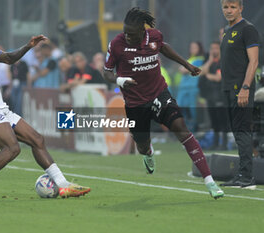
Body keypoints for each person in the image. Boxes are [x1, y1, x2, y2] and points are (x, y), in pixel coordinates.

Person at [0, 16, 90, 199]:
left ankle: (63, 185)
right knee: (12, 148)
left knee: (37, 140)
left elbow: (8, 58)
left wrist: (28, 46)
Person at [103, 7, 224, 199]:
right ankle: (148, 153)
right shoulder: (117, 44)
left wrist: (187, 65)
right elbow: (107, 71)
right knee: (141, 145)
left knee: (181, 128)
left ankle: (209, 181)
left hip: (159, 94)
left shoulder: (154, 36)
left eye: (131, 33)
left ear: (142, 32)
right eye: (125, 31)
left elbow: (164, 48)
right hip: (135, 103)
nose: (126, 36)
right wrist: (120, 80)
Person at [219, 0, 259, 189]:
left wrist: (245, 87)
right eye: (226, 7)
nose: (229, 10)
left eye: (233, 7)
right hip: (228, 88)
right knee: (237, 132)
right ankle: (243, 173)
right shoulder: (227, 31)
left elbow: (254, 61)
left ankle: (246, 176)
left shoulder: (247, 29)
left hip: (240, 89)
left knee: (242, 131)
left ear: (241, 8)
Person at [199, 41, 229, 150]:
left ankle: (224, 144)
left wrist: (207, 75)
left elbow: (218, 78)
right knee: (214, 121)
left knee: (223, 121)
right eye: (212, 48)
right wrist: (210, 61)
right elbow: (201, 72)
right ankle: (215, 144)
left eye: (216, 48)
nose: (214, 51)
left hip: (221, 95)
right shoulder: (209, 60)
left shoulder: (224, 61)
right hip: (210, 95)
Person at [177, 41, 205, 132]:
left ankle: (193, 130)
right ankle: (185, 129)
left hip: (192, 87)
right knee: (181, 108)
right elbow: (182, 69)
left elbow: (184, 70)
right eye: (191, 47)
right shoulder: (190, 59)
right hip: (184, 87)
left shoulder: (200, 59)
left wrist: (184, 68)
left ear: (199, 48)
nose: (192, 49)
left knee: (192, 109)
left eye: (195, 47)